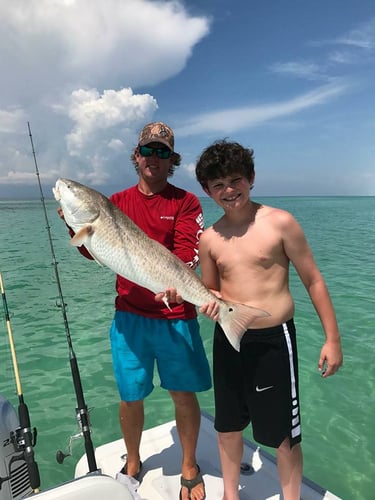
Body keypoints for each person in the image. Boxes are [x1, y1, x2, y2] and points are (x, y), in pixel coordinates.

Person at [59, 122, 211, 500]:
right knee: (130, 397)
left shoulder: (186, 202)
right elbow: (92, 250)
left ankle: (189, 464)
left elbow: (186, 255)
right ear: (136, 155)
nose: (153, 158)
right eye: (148, 150)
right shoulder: (116, 202)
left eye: (162, 152)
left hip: (176, 316)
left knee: (182, 394)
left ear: (171, 160)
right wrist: (72, 227)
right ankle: (132, 462)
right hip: (129, 317)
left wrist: (182, 289)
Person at [194, 139, 343, 500]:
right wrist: (206, 302)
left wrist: (332, 339)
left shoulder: (280, 223)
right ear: (207, 191)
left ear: (251, 178)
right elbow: (210, 290)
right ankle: (231, 494)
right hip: (229, 341)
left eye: (235, 180)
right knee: (227, 426)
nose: (229, 191)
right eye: (218, 185)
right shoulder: (210, 239)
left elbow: (314, 279)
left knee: (284, 435)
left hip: (274, 341)